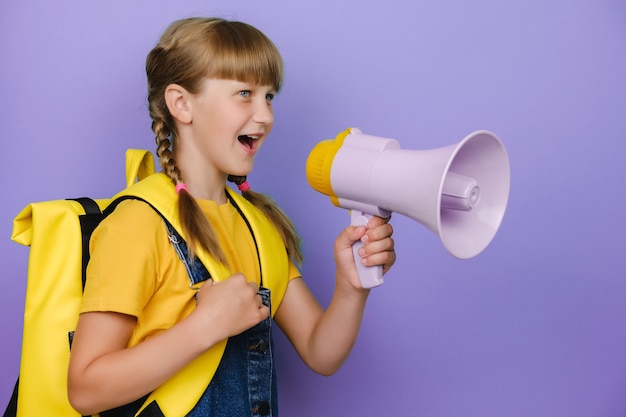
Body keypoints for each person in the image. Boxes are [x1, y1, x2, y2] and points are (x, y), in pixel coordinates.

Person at [67, 16, 395, 417]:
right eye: (244, 93)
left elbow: (319, 351)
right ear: (182, 104)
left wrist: (352, 285)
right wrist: (204, 327)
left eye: (269, 96)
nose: (266, 115)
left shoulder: (259, 225)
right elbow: (85, 390)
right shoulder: (138, 224)